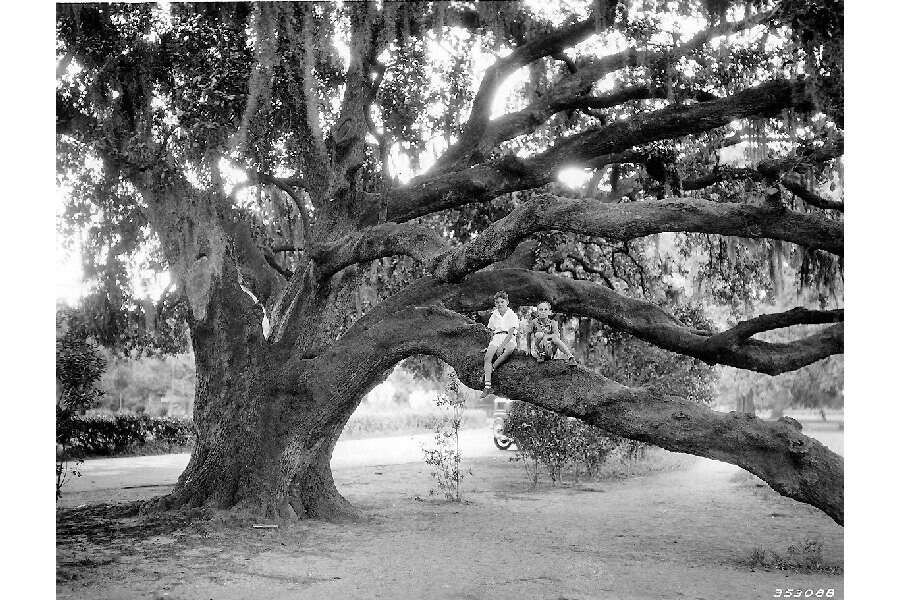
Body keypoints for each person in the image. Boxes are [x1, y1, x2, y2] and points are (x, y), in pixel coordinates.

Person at [481, 291, 520, 398]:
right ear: (495, 304)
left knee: (509, 349)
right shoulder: (494, 315)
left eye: (502, 302)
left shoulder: (512, 315)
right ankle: (487, 386)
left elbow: (511, 333)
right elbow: (490, 331)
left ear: (507, 302)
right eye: (497, 302)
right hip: (496, 337)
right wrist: (489, 346)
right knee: (487, 357)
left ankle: (493, 367)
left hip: (508, 337)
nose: (500, 304)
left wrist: (502, 346)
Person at [527, 301, 577, 366]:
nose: (543, 311)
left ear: (549, 312)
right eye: (540, 310)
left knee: (554, 338)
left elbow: (556, 336)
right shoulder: (534, 322)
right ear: (537, 312)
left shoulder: (553, 323)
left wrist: (545, 337)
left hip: (550, 349)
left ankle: (570, 357)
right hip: (539, 349)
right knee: (539, 334)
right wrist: (528, 348)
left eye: (545, 309)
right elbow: (528, 334)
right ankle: (541, 355)